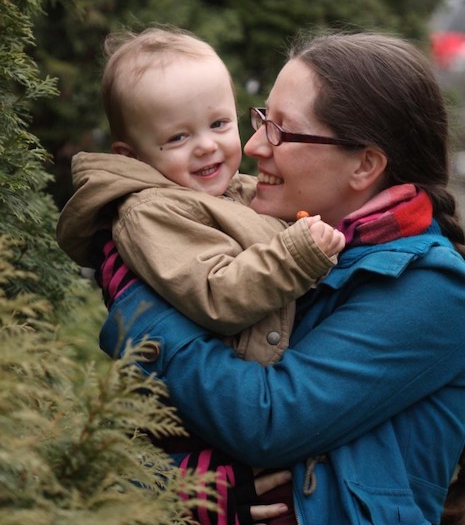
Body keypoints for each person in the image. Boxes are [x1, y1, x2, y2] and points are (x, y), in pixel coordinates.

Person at [93, 31, 465, 525]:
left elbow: (266, 421)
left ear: (365, 165)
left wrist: (141, 308)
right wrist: (191, 492)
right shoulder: (266, 252)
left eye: (282, 132)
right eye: (261, 119)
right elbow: (135, 440)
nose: (250, 146)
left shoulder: (432, 291)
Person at [57, 26, 344, 366]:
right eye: (179, 137)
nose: (207, 146)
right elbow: (216, 295)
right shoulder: (150, 212)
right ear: (132, 156)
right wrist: (298, 254)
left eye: (219, 124)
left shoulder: (237, 189)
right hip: (212, 398)